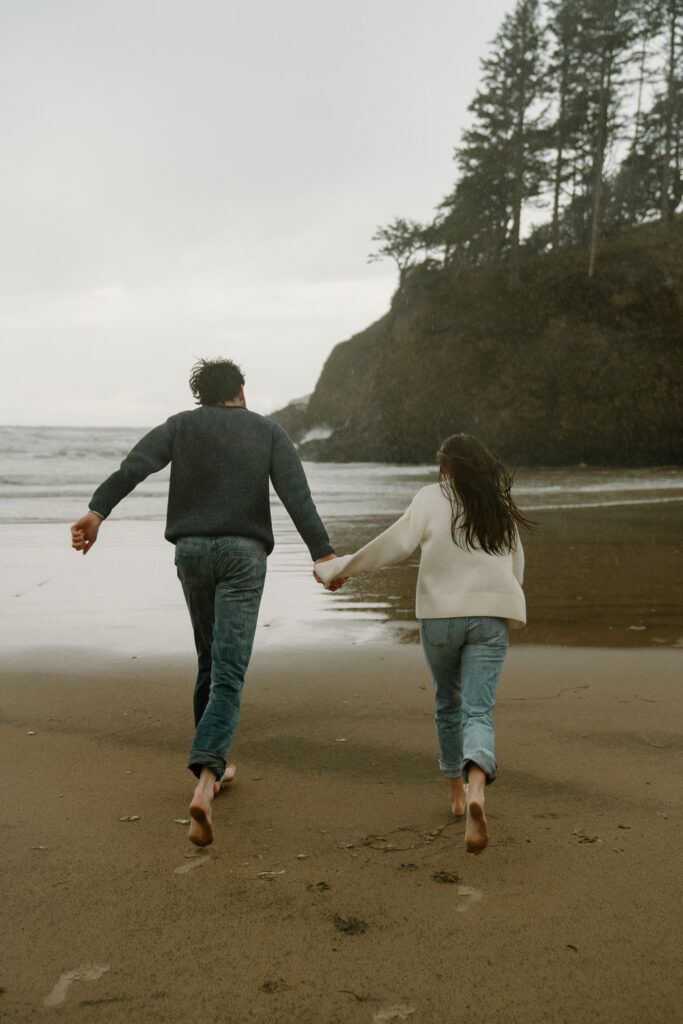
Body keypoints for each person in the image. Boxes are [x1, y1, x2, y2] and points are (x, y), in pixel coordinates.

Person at [71, 357, 336, 847]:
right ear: (240, 388)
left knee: (210, 661)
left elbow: (133, 467)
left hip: (191, 552)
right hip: (243, 554)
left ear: (201, 394)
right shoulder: (268, 432)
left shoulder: (180, 426)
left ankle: (214, 760)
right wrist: (323, 554)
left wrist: (97, 510)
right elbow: (297, 495)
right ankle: (206, 780)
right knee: (230, 671)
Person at [314, 433, 534, 855]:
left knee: (447, 703)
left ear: (446, 467)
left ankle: (455, 797)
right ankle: (477, 792)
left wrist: (339, 569)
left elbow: (392, 546)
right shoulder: (497, 506)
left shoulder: (431, 498)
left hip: (440, 618)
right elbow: (516, 570)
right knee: (478, 710)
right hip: (491, 617)